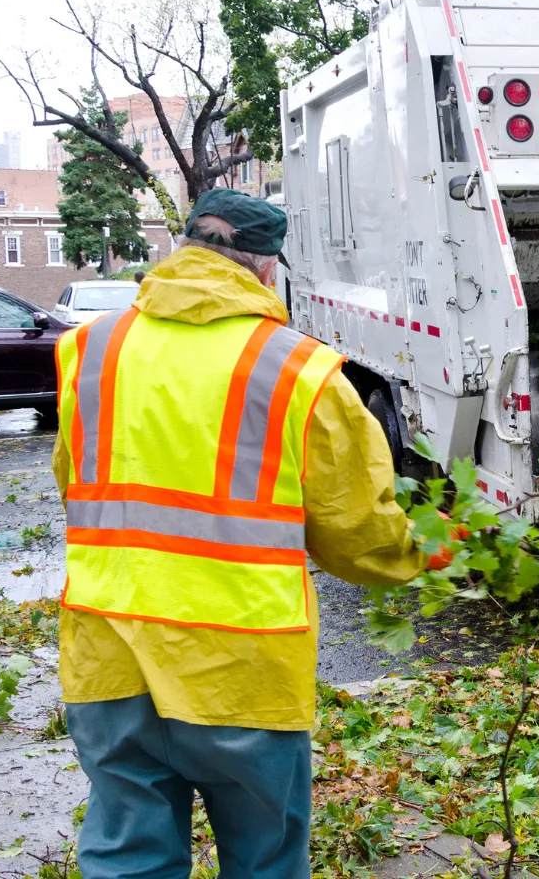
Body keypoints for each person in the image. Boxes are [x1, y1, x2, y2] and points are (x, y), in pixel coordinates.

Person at [53, 188, 424, 879]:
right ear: (264, 270)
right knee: (263, 864)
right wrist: (427, 549)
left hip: (108, 656)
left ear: (185, 247)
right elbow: (360, 536)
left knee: (127, 858)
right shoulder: (297, 370)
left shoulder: (89, 350)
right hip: (241, 672)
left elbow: (73, 481)